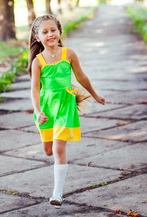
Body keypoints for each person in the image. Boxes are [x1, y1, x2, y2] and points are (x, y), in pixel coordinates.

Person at [28, 14, 105, 207]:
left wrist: (95, 94)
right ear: (38, 37)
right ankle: (54, 151)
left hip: (65, 106)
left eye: (53, 30)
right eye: (45, 32)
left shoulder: (68, 54)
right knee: (48, 150)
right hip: (46, 109)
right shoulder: (38, 61)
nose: (50, 34)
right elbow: (35, 91)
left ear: (59, 31)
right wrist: (38, 112)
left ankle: (57, 194)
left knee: (58, 147)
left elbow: (81, 77)